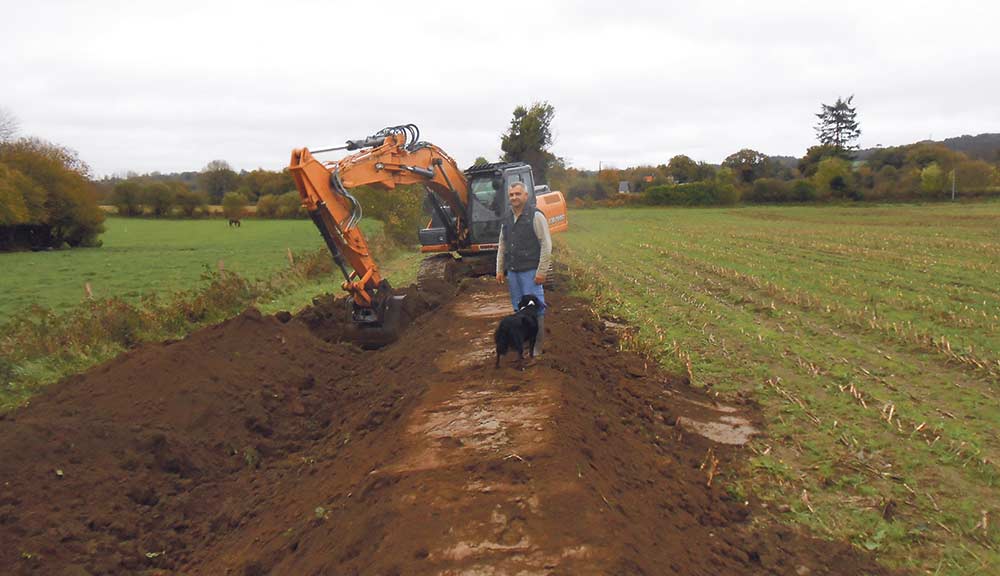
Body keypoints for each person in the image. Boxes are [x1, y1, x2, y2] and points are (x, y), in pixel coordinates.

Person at [495, 182, 552, 356]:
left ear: (526, 196)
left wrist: (541, 271)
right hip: (513, 271)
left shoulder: (535, 216)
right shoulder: (506, 218)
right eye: (511, 195)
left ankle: (537, 348)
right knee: (519, 308)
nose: (514, 197)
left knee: (536, 309)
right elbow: (502, 245)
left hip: (531, 272)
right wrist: (499, 269)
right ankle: (525, 342)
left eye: (518, 194)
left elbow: (546, 244)